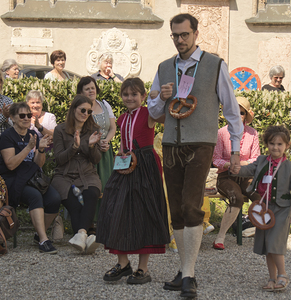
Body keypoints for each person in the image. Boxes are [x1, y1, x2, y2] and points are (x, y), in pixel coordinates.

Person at [147, 13, 243, 298]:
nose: (180, 40)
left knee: (191, 206)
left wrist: (236, 149)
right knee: (175, 209)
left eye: (184, 35)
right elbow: (152, 113)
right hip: (171, 145)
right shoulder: (165, 67)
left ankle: (189, 274)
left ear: (196, 34)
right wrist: (160, 99)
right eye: (175, 35)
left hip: (201, 143)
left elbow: (232, 110)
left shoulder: (215, 65)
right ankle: (184, 270)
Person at [96, 78, 169, 285]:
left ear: (142, 96)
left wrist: (159, 99)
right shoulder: (121, 118)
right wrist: (120, 154)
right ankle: (123, 263)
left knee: (144, 210)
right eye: (126, 94)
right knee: (116, 208)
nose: (129, 98)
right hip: (124, 163)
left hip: (145, 163)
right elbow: (123, 142)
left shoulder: (149, 114)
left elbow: (167, 117)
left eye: (134, 94)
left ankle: (143, 268)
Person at [0, 102, 61, 254]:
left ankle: (39, 234)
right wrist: (28, 148)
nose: (26, 118)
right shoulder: (7, 136)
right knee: (35, 196)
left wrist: (40, 149)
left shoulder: (32, 134)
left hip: (31, 177)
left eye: (29, 115)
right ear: (12, 118)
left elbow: (38, 163)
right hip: (14, 179)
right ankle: (44, 240)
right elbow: (11, 165)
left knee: (54, 198)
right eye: (22, 116)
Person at [235, 125, 291, 292]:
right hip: (263, 209)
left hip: (282, 209)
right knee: (267, 245)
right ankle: (272, 278)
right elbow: (247, 170)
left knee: (275, 242)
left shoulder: (288, 166)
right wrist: (235, 169)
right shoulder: (261, 161)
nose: (276, 147)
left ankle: (283, 275)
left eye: (280, 144)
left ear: (287, 146)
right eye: (272, 143)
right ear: (267, 144)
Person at [51, 94, 102, 254]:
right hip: (64, 176)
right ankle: (88, 235)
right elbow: (59, 159)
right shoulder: (60, 129)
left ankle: (80, 235)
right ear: (73, 109)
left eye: (89, 111)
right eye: (82, 110)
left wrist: (92, 147)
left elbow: (96, 160)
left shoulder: (93, 129)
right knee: (75, 204)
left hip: (87, 174)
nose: (85, 114)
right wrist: (74, 147)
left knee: (91, 194)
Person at [212, 96, 261, 250]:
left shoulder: (253, 134)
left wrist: (241, 164)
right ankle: (220, 237)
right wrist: (229, 164)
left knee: (260, 195)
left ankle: (264, 231)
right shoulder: (221, 133)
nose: (238, 115)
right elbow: (215, 159)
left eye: (241, 112)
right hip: (225, 176)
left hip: (246, 175)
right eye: (234, 111)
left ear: (246, 115)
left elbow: (256, 159)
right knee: (236, 197)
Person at [77, 76, 116, 222]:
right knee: (91, 187)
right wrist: (94, 143)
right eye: (87, 89)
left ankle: (106, 219)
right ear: (81, 92)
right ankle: (89, 221)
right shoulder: (80, 108)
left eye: (92, 87)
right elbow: (77, 131)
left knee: (107, 184)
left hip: (106, 152)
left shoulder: (105, 105)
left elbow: (113, 127)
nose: (91, 90)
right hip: (89, 152)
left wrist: (106, 141)